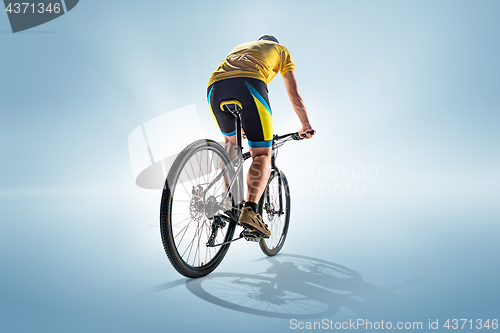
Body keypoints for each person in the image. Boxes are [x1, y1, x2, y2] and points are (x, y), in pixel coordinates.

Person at [207, 34, 314, 237]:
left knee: (231, 145)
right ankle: (250, 211)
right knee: (262, 154)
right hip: (248, 84)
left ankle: (228, 199)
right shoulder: (281, 51)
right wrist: (305, 125)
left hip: (215, 87)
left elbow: (232, 74)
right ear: (275, 43)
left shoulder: (241, 47)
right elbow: (294, 94)